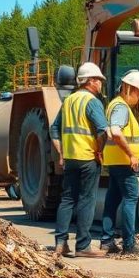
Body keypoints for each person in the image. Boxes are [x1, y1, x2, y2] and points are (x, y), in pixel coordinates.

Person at [49, 62, 109, 258]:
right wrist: (99, 150)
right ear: (90, 81)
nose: (100, 84)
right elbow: (102, 130)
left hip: (71, 159)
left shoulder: (69, 101)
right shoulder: (92, 102)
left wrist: (61, 153)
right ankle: (83, 245)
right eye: (99, 80)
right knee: (86, 200)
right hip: (87, 158)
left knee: (67, 199)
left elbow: (54, 130)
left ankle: (60, 243)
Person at [100, 70, 139, 255]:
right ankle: (129, 244)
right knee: (131, 199)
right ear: (129, 88)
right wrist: (131, 155)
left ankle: (107, 240)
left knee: (113, 199)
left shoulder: (113, 105)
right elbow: (116, 131)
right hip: (124, 163)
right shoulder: (121, 107)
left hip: (115, 161)